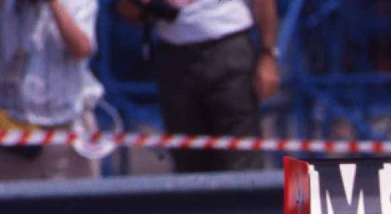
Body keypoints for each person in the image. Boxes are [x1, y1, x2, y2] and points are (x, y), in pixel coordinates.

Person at [116, 0, 279, 172]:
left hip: (229, 48)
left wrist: (268, 55)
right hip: (176, 57)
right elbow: (128, 10)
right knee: (188, 161)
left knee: (240, 159)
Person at [0, 0, 103, 181]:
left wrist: (53, 4)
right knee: (11, 199)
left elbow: (81, 48)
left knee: (76, 198)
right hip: (11, 127)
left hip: (66, 129)